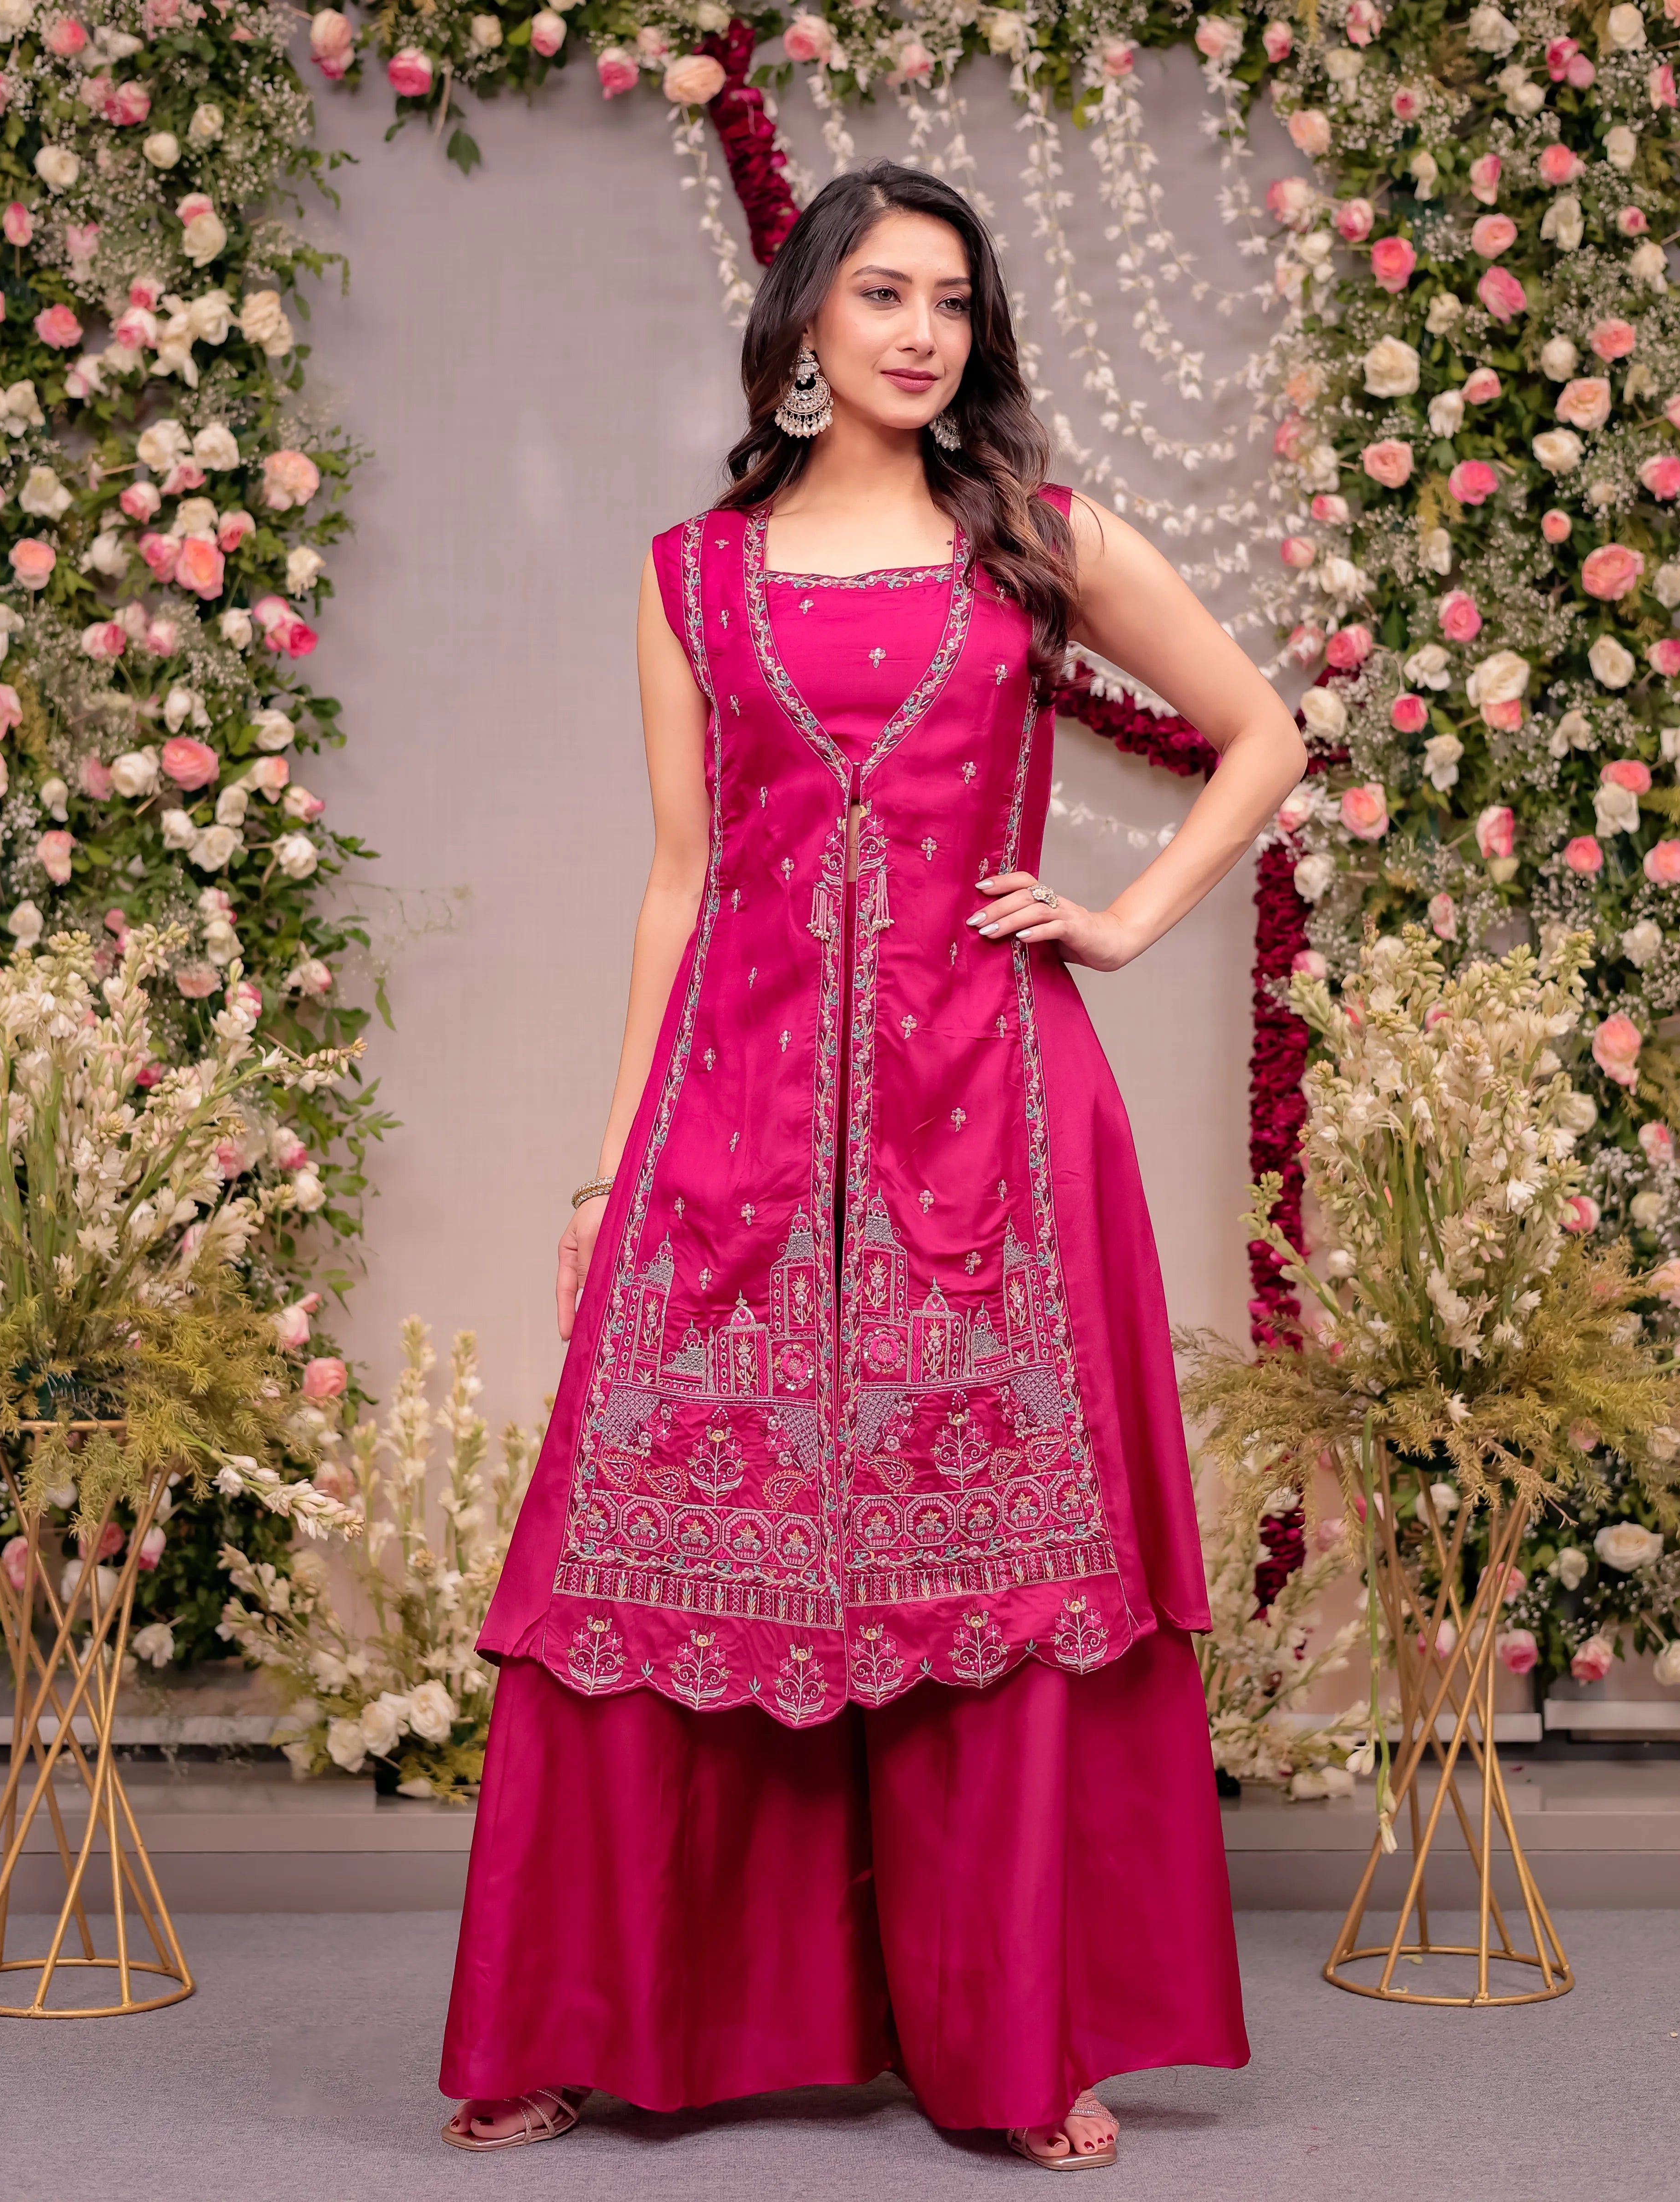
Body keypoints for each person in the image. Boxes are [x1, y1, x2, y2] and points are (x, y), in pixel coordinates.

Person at [439, 159, 1305, 2169]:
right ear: (806, 320)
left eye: (952, 302)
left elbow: (1257, 731)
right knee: (648, 1568)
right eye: (883, 295)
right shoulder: (686, 574)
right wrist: (601, 1173)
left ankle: (1013, 2039)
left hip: (985, 1114)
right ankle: (592, 2018)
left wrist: (1120, 916)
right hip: (728, 1129)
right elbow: (676, 882)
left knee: (989, 1572)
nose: (922, 332)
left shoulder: (1032, 545)